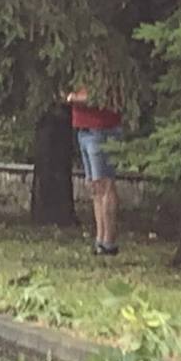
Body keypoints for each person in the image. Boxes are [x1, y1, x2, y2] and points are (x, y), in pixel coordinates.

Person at [65, 84, 123, 256]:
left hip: (101, 128)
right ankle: (100, 237)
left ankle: (109, 240)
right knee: (94, 186)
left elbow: (101, 95)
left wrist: (73, 98)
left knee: (105, 183)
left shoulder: (103, 68)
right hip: (83, 130)